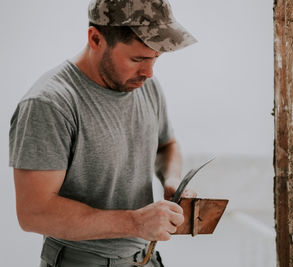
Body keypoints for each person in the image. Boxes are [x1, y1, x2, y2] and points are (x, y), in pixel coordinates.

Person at [9, 0, 197, 266]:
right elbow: (34, 213)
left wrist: (172, 180)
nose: (149, 72)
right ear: (96, 38)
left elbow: (166, 145)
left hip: (145, 258)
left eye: (156, 57)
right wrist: (134, 222)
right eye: (137, 58)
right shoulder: (48, 105)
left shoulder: (145, 86)